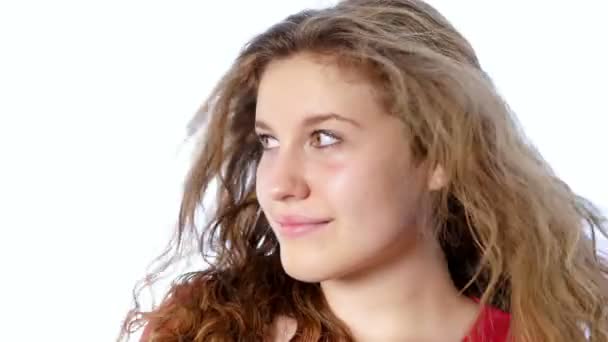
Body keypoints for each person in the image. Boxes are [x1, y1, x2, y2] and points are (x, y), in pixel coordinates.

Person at [119, 0, 608, 341]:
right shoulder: (203, 330)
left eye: (325, 138)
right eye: (269, 141)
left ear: (437, 156)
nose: (280, 185)